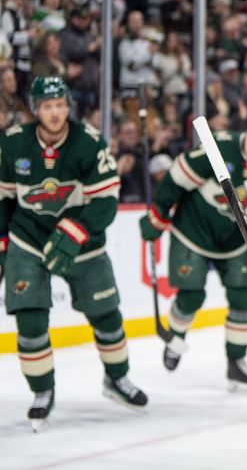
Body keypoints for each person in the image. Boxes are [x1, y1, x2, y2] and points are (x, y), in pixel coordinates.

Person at [0, 76, 148, 431]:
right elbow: (4, 199)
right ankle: (42, 391)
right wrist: (3, 244)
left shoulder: (88, 142)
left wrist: (75, 233)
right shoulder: (13, 143)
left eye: (60, 105)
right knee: (30, 320)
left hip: (82, 238)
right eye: (47, 106)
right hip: (29, 238)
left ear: (68, 106)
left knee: (107, 314)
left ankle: (116, 379)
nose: (55, 113)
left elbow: (106, 201)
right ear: (36, 110)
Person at [139, 105, 247, 392]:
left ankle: (236, 364)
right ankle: (175, 334)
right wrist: (158, 213)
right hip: (193, 232)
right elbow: (177, 175)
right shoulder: (221, 147)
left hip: (235, 242)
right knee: (191, 295)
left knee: (241, 297)